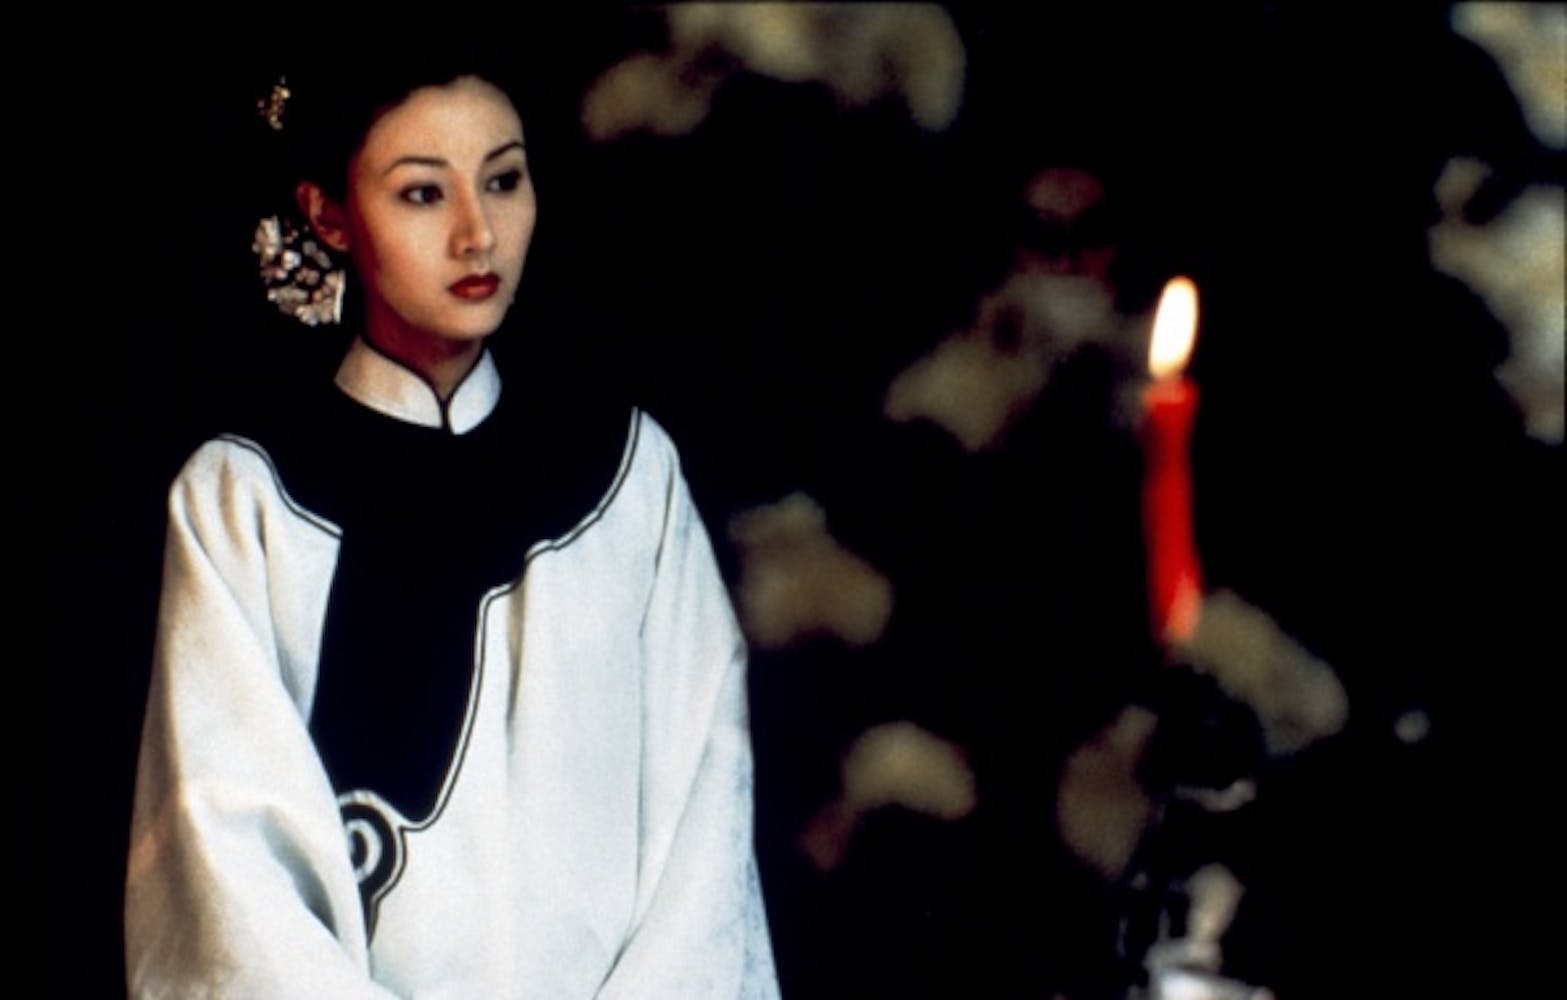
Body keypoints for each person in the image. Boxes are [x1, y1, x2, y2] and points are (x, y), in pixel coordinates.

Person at [124, 44, 779, 998]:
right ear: (328, 215)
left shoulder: (630, 478)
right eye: (423, 194)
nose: (479, 235)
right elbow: (226, 873)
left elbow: (702, 839)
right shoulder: (244, 499)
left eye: (503, 181)